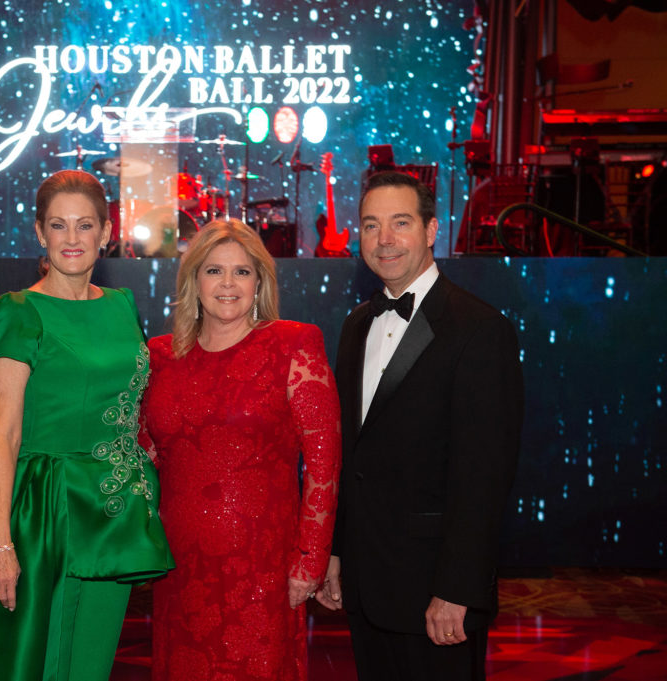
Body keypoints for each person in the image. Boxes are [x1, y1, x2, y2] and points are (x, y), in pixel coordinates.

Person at [0, 169, 173, 681]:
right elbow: (4, 434)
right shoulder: (19, 311)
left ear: (105, 231)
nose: (72, 239)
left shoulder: (122, 307)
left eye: (84, 225)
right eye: (58, 225)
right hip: (46, 511)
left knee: (91, 662)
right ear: (40, 233)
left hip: (112, 511)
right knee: (43, 662)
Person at [318, 171, 523, 681]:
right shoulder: (355, 325)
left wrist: (458, 589)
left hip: (437, 594)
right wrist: (337, 550)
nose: (384, 239)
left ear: (432, 231)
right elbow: (352, 455)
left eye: (400, 223)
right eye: (371, 225)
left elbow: (484, 476)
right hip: (366, 585)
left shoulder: (479, 329)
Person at [141, 219, 342, 681]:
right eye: (213, 271)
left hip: (263, 569)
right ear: (193, 280)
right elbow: (146, 451)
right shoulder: (159, 355)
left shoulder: (294, 344)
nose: (228, 284)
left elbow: (323, 464)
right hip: (180, 567)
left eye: (242, 272)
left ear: (260, 282)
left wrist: (310, 559)